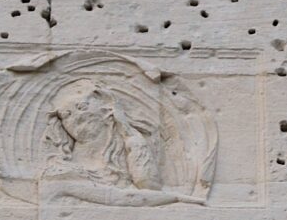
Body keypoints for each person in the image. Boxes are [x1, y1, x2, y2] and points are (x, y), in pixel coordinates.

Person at [40, 79, 203, 206]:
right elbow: (119, 199)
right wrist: (174, 198)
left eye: (82, 107)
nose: (76, 117)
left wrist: (133, 141)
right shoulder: (60, 170)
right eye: (66, 114)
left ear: (106, 111)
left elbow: (148, 185)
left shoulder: (128, 147)